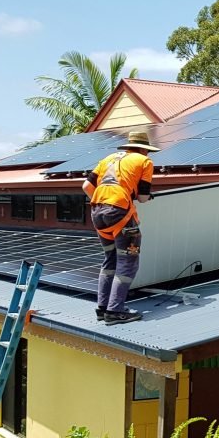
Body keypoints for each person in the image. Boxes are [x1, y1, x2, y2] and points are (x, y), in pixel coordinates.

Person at [82, 130, 158, 325]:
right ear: (143, 149)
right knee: (128, 262)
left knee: (111, 259)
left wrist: (105, 203)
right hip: (120, 213)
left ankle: (102, 308)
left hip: (97, 212)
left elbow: (86, 187)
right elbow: (141, 197)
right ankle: (115, 312)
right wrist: (146, 197)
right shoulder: (144, 162)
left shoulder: (108, 159)